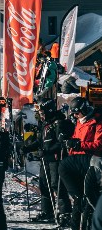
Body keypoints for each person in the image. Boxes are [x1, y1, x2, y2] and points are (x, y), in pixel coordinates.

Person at [58, 98, 102, 229]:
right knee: (79, 199)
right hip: (77, 162)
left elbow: (99, 144)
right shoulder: (80, 122)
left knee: (64, 166)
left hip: (91, 160)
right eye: (74, 114)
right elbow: (76, 139)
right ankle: (76, 225)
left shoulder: (97, 122)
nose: (75, 116)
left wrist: (79, 144)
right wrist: (68, 141)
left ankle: (91, 220)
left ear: (84, 109)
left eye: (77, 113)